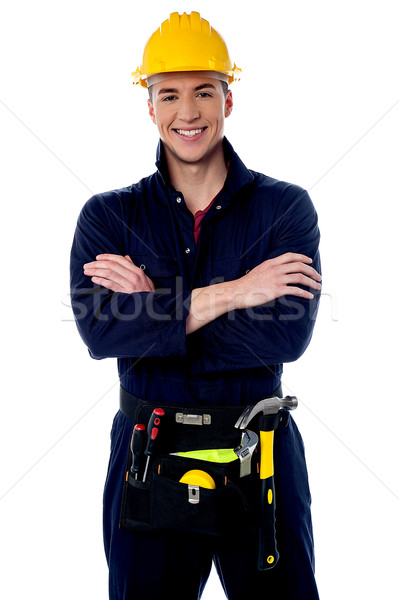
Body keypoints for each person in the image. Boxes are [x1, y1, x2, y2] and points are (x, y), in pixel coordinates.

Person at [70, 11, 322, 600]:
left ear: (228, 101)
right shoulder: (108, 217)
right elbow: (100, 334)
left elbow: (284, 339)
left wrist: (154, 311)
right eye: (170, 94)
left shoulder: (286, 210)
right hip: (148, 455)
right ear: (149, 106)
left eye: (204, 91)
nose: (188, 113)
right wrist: (238, 293)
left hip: (260, 460)